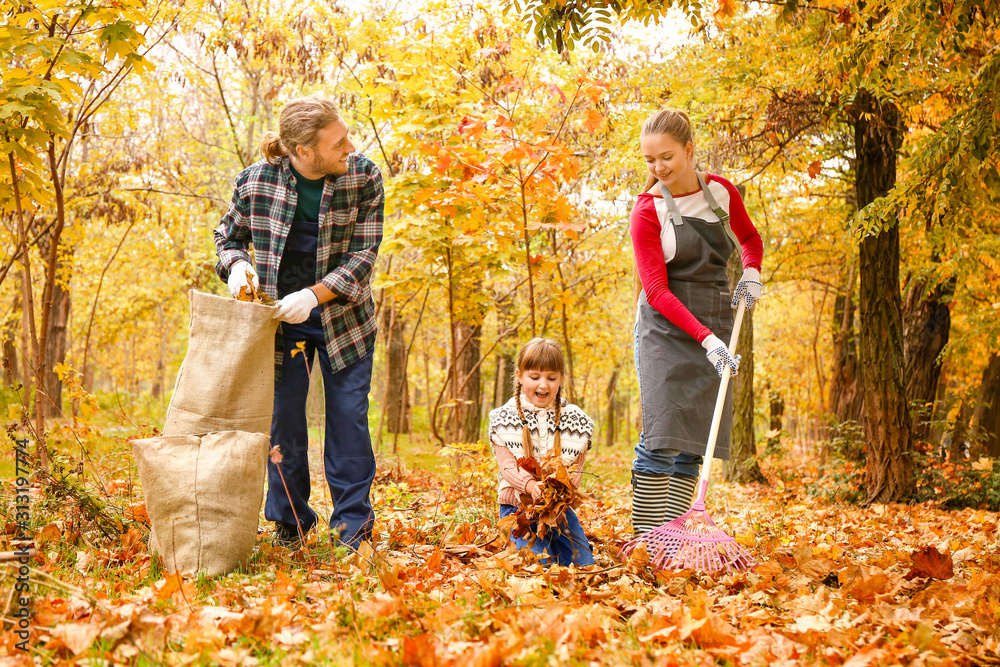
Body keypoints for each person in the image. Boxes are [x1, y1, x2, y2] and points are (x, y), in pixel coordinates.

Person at [214, 93, 384, 550]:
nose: (350, 147)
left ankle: (352, 531)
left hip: (344, 320)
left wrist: (313, 295)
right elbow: (227, 236)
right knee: (284, 422)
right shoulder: (256, 182)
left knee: (349, 421)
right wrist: (235, 266)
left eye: (346, 136)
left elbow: (364, 253)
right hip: (280, 325)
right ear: (304, 151)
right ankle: (290, 523)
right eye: (338, 142)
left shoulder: (364, 175)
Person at [629, 109, 763, 535]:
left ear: (689, 150)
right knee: (661, 437)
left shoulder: (721, 192)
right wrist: (706, 340)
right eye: (650, 161)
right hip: (665, 328)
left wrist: (752, 271)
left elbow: (750, 239)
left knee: (692, 444)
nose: (658, 168)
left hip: (714, 316)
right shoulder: (647, 212)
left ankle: (672, 540)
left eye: (666, 157)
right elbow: (656, 291)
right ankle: (646, 542)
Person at [488, 338, 596, 566]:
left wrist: (558, 492)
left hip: (558, 511)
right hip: (517, 509)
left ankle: (563, 545)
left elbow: (576, 470)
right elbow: (507, 467)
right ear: (519, 375)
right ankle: (534, 549)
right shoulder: (502, 418)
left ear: (561, 378)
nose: (543, 385)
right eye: (535, 377)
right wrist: (530, 486)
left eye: (551, 378)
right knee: (539, 565)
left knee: (583, 566)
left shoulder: (577, 421)